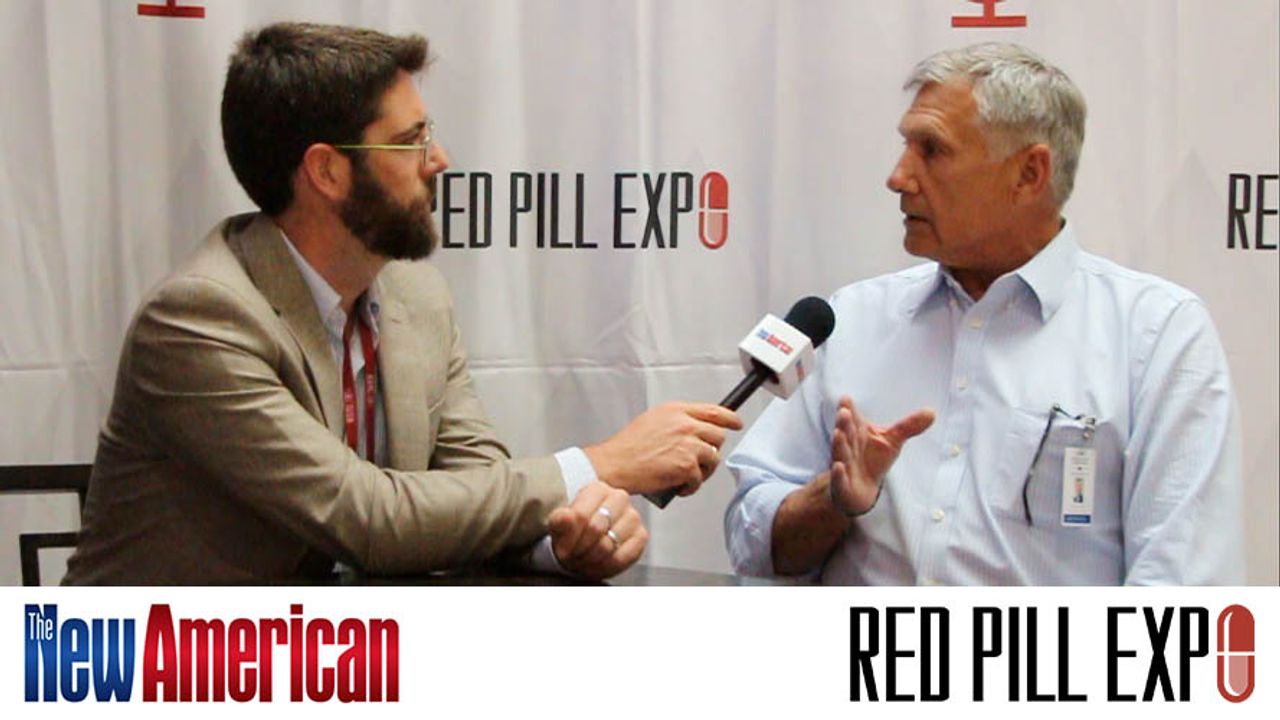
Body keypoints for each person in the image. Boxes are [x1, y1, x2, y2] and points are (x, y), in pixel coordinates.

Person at [64, 22, 741, 584]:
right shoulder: (199, 320)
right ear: (327, 171)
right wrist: (602, 463)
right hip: (150, 665)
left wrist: (560, 542)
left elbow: (480, 488)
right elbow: (366, 518)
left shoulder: (414, 297)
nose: (438, 158)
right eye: (410, 139)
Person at [724, 42, 1243, 585]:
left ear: (1029, 173)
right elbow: (752, 543)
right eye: (906, 146)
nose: (898, 177)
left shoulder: (1157, 335)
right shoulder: (852, 318)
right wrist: (833, 501)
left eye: (932, 150)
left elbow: (1182, 587)